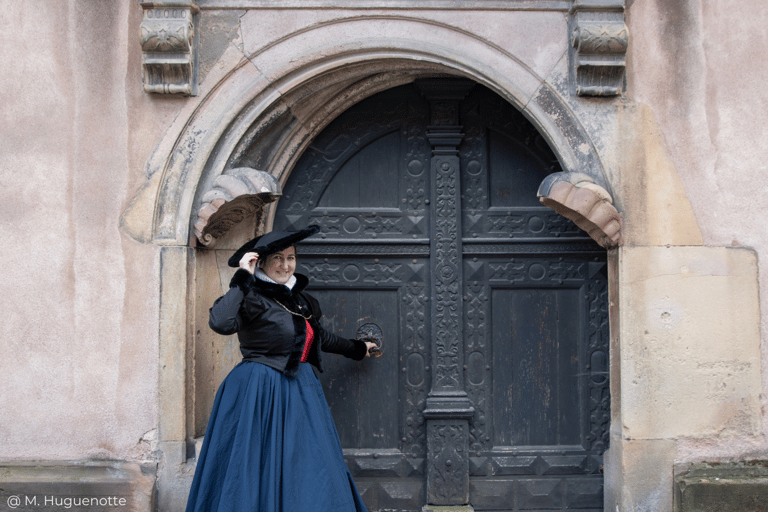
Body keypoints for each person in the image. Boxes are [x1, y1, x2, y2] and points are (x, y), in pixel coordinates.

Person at [185, 225, 376, 512]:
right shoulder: (249, 296)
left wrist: (358, 348)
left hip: (301, 389)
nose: (285, 265)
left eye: (290, 258)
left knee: (311, 461)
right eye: (277, 258)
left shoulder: (300, 300)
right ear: (260, 261)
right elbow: (220, 323)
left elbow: (319, 338)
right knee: (253, 463)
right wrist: (241, 279)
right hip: (258, 390)